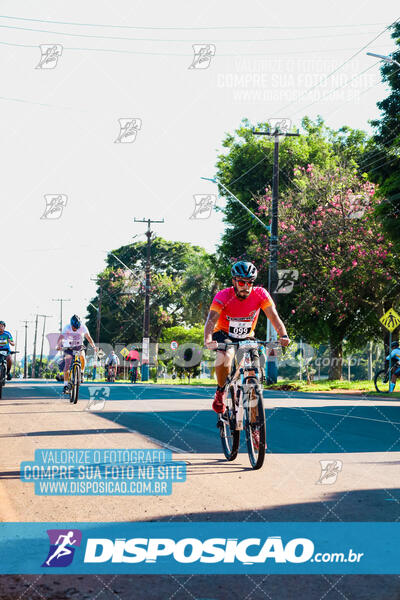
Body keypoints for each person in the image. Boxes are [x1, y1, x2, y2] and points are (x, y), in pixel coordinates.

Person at [204, 261, 290, 413]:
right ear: (234, 281)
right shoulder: (223, 295)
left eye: (249, 283)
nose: (246, 286)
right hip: (224, 334)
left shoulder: (260, 294)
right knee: (226, 357)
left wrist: (283, 335)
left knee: (255, 365)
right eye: (242, 282)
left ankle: (254, 417)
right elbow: (211, 320)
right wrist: (208, 339)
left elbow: (274, 317)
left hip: (247, 336)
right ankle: (221, 391)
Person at [56, 315, 97, 394]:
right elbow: (61, 338)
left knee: (82, 356)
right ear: (71, 325)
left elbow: (88, 337)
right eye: (74, 327)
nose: (75, 329)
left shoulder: (83, 327)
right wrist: (58, 345)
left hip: (78, 346)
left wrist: (94, 346)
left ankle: (81, 373)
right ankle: (65, 386)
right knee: (67, 366)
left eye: (77, 327)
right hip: (68, 347)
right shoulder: (66, 328)